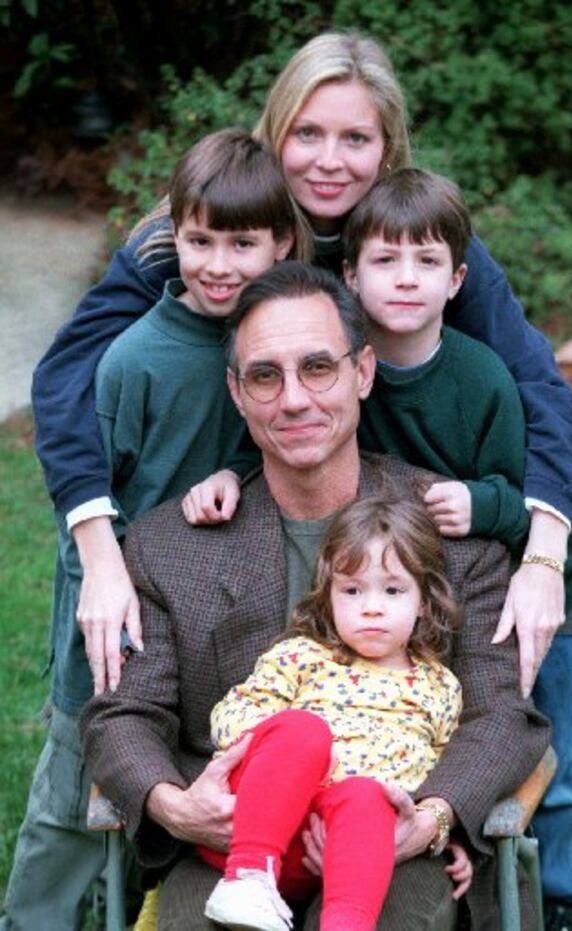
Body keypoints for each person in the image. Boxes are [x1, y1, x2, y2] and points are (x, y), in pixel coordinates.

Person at [23, 29, 572, 926]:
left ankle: (554, 884)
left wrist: (544, 547)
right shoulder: (195, 228)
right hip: (198, 508)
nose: (329, 160)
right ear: (276, 132)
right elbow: (62, 379)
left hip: (411, 515)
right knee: (88, 704)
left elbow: (542, 395)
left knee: (523, 655)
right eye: (309, 134)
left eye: (355, 138)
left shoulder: (409, 242)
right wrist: (104, 543)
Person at [81, 261, 550, 931]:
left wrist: (431, 819)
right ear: (237, 393)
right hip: (227, 841)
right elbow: (123, 711)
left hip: (394, 829)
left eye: (318, 367)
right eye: (266, 375)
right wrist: (172, 803)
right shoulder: (167, 546)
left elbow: (503, 713)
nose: (294, 399)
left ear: (363, 372)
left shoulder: (450, 531)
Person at [187, 166, 572, 929]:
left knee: (550, 754)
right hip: (384, 550)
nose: (405, 280)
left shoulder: (483, 376)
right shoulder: (331, 352)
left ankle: (559, 897)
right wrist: (236, 476)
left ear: (458, 278)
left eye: (426, 262)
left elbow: (520, 482)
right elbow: (300, 437)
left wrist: (491, 509)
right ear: (351, 271)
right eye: (385, 260)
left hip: (498, 565)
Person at [0, 129, 302, 931]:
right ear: (174, 240)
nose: (219, 264)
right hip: (118, 620)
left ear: (282, 243)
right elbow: (86, 505)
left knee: (170, 795)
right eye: (200, 241)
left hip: (222, 627)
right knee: (73, 798)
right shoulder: (132, 359)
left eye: (243, 244)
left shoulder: (274, 347)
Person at [201, 495, 472, 931]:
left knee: (368, 796)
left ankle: (345, 924)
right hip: (260, 826)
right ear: (328, 596)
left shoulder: (439, 687)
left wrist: (443, 836)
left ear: (423, 600)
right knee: (302, 731)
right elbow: (234, 718)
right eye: (352, 590)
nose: (371, 606)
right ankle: (248, 881)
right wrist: (299, 760)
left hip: (353, 851)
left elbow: (441, 770)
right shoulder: (301, 656)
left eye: (393, 590)